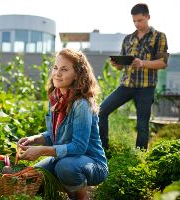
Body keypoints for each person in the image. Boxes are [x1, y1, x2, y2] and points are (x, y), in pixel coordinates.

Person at [17, 48, 108, 200]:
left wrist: (41, 151)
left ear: (77, 75)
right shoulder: (56, 99)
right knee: (32, 176)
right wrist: (34, 139)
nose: (57, 73)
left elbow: (79, 147)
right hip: (65, 159)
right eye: (55, 68)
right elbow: (54, 135)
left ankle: (81, 197)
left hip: (92, 163)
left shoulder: (81, 104)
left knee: (65, 168)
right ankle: (68, 190)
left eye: (64, 69)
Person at [99, 3, 168, 150]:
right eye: (134, 21)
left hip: (145, 88)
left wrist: (142, 63)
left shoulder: (159, 37)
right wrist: (117, 64)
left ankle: (139, 156)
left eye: (140, 20)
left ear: (148, 17)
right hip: (126, 86)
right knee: (101, 111)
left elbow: (162, 63)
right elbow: (122, 65)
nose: (137, 24)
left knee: (142, 125)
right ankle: (103, 149)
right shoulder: (128, 39)